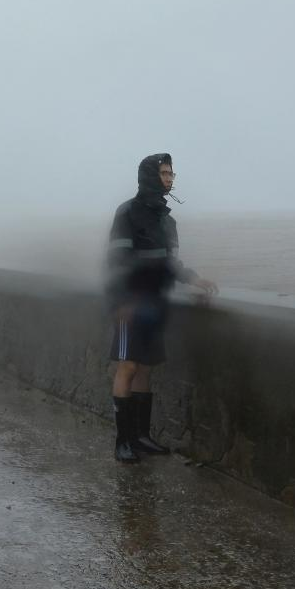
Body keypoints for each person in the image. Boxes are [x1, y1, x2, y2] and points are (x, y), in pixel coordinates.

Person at [105, 153, 218, 462]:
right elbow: (115, 262)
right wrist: (119, 301)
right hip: (131, 302)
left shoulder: (168, 220)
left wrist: (193, 279)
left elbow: (170, 264)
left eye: (171, 174)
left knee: (146, 368)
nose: (169, 179)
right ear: (149, 176)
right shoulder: (127, 212)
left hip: (157, 303)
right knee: (127, 366)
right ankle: (123, 441)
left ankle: (142, 437)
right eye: (164, 173)